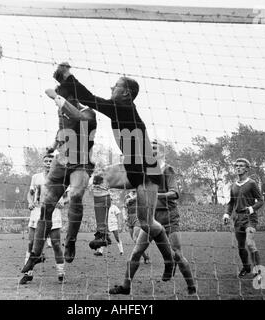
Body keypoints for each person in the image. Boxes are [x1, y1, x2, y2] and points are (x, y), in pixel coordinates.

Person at [48, 63, 175, 281]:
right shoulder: (120, 107)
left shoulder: (123, 107)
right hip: (130, 167)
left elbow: (89, 99)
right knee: (98, 179)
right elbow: (89, 99)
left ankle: (169, 259)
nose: (111, 87)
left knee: (146, 222)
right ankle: (102, 233)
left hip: (147, 170)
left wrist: (67, 79)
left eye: (115, 86)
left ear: (125, 93)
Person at [22, 63, 97, 273]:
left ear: (71, 97)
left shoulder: (88, 112)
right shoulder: (62, 111)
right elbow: (61, 129)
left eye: (64, 97)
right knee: (45, 208)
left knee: (75, 195)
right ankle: (35, 255)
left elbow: (77, 117)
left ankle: (70, 241)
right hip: (60, 163)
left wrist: (56, 97)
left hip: (81, 163)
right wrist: (53, 146)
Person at [109, 140, 196, 295]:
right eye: (150, 149)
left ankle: (191, 286)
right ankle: (125, 287)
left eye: (155, 148)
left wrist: (155, 194)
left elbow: (175, 193)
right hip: (150, 218)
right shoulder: (146, 172)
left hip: (169, 218)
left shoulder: (167, 169)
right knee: (136, 252)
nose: (151, 151)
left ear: (162, 152)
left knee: (177, 254)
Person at [20, 153, 65, 284]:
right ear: (43, 162)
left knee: (56, 244)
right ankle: (28, 274)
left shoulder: (61, 177)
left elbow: (68, 196)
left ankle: (61, 272)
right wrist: (29, 202)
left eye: (51, 160)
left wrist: (63, 202)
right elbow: (31, 193)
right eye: (46, 160)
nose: (48, 162)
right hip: (36, 213)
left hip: (54, 213)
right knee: (30, 243)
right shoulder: (36, 177)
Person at [223, 158, 264, 278]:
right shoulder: (233, 185)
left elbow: (261, 201)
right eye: (236, 166)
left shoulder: (251, 183)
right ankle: (246, 268)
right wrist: (226, 214)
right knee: (241, 246)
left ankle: (258, 272)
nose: (238, 168)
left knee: (250, 244)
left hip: (250, 218)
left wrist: (251, 209)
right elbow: (231, 203)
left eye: (241, 166)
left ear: (247, 168)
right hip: (237, 219)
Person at [123, 190, 150, 264]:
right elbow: (125, 207)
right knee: (135, 240)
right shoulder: (127, 196)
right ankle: (146, 257)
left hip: (137, 217)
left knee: (135, 238)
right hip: (129, 219)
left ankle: (134, 257)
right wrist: (124, 216)